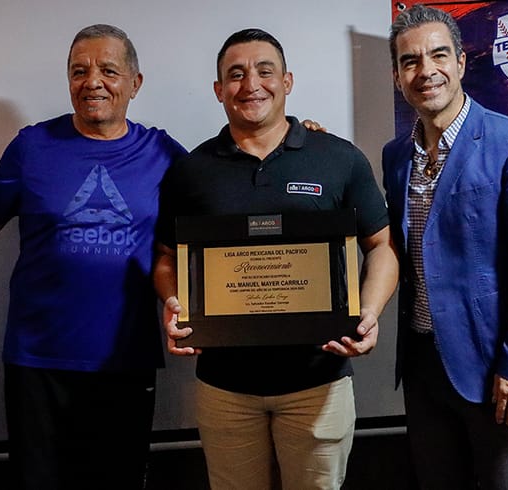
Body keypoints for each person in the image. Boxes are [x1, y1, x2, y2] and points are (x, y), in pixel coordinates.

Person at [153, 28, 399, 490]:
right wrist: (172, 301)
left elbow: (381, 246)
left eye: (265, 71)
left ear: (287, 82)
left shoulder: (338, 158)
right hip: (225, 389)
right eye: (236, 74)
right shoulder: (192, 170)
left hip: (318, 385)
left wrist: (368, 311)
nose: (251, 84)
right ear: (218, 90)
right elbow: (167, 257)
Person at [0, 24, 188, 489]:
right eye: (79, 71)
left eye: (108, 71)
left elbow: (222, 191)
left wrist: (298, 138)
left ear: (135, 83)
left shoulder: (162, 152)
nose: (92, 81)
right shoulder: (31, 147)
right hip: (38, 361)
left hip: (124, 361)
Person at [382, 5, 508, 489]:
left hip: (497, 370)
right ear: (398, 76)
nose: (426, 70)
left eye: (438, 55)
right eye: (409, 61)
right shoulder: (396, 156)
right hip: (423, 367)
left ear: (461, 62)